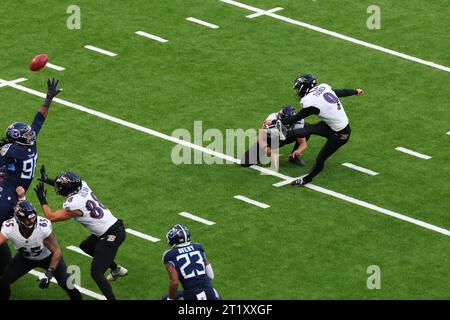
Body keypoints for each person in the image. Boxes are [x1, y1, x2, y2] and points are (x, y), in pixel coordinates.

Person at [34, 168, 127, 300]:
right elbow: (69, 185)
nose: (58, 187)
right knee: (86, 246)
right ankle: (116, 269)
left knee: (96, 273)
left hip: (112, 234)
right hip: (109, 227)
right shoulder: (83, 185)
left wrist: (42, 198)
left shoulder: (73, 204)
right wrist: (48, 180)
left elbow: (51, 217)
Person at [0, 78, 61, 274]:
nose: (30, 136)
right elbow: (39, 119)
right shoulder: (25, 147)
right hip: (14, 191)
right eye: (25, 135)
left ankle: (5, 262)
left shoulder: (14, 150)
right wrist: (48, 99)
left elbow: (37, 122)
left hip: (11, 191)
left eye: (28, 134)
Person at [266, 73, 364, 186]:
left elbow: (296, 118)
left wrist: (273, 122)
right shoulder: (323, 88)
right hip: (331, 126)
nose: (298, 91)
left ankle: (307, 179)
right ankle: (284, 136)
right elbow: (338, 92)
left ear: (304, 87)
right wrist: (354, 92)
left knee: (320, 159)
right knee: (308, 128)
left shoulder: (311, 101)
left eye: (299, 88)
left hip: (341, 134)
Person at [0, 197, 81, 300]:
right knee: (3, 282)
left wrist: (49, 273)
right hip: (25, 258)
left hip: (48, 257)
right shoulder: (9, 227)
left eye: (33, 217)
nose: (31, 221)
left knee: (68, 285)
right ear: (18, 219)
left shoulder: (43, 227)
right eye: (27, 219)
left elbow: (56, 250)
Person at [162, 224, 220, 300]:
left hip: (191, 294)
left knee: (165, 298)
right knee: (215, 293)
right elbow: (211, 275)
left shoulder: (169, 255)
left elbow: (175, 282)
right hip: (208, 292)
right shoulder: (198, 247)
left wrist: (170, 299)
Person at [240, 105, 309, 169]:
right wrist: (270, 152)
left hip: (287, 137)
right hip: (271, 140)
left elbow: (303, 143)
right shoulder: (271, 120)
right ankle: (264, 153)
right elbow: (260, 138)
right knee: (245, 162)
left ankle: (294, 157)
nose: (287, 123)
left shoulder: (298, 122)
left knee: (306, 128)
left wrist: (298, 151)